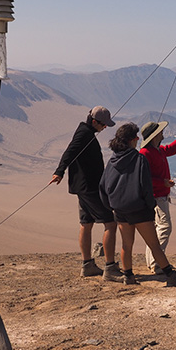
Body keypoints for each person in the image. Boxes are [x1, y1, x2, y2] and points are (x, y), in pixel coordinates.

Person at [99, 123, 176, 287]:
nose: (137, 139)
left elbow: (103, 185)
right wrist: (149, 206)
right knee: (154, 245)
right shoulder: (139, 158)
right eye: (135, 137)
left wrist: (111, 206)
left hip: (120, 209)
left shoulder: (112, 159)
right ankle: (171, 276)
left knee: (126, 245)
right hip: (139, 208)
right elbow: (145, 184)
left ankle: (128, 276)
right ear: (131, 140)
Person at [50, 106, 121, 282]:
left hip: (83, 187)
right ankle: (110, 268)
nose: (105, 128)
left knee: (86, 223)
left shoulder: (85, 132)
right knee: (110, 223)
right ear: (95, 121)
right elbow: (69, 152)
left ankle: (87, 265)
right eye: (103, 125)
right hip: (88, 188)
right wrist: (59, 171)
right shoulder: (84, 134)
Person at [139, 121, 176, 274]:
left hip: (161, 196)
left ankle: (152, 262)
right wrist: (162, 182)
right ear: (155, 135)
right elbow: (144, 178)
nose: (163, 134)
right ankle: (157, 263)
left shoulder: (158, 150)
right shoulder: (145, 153)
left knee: (157, 229)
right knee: (164, 227)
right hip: (156, 197)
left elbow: (172, 149)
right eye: (160, 132)